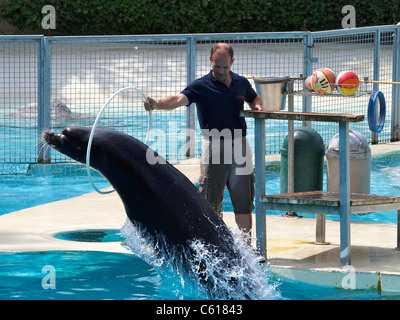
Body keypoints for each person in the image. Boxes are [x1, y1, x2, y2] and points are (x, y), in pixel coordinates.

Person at [143, 43, 265, 243]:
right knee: (210, 202)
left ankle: (246, 246)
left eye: (225, 67)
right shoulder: (201, 86)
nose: (221, 71)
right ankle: (215, 245)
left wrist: (257, 106)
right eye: (217, 66)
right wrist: (157, 104)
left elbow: (253, 97)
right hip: (214, 145)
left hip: (240, 146)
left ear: (232, 63)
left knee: (243, 200)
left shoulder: (241, 82)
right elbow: (178, 99)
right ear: (211, 61)